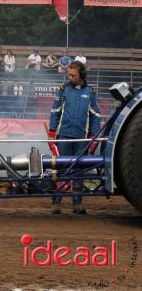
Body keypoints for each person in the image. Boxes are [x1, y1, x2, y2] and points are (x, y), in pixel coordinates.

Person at [48, 61, 101, 214]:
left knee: (78, 171)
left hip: (81, 138)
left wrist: (94, 137)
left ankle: (77, 204)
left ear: (82, 75)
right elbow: (55, 111)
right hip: (63, 136)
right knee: (62, 168)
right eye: (69, 75)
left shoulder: (91, 92)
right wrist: (52, 132)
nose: (70, 77)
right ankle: (56, 203)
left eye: (73, 75)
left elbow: (95, 116)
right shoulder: (63, 90)